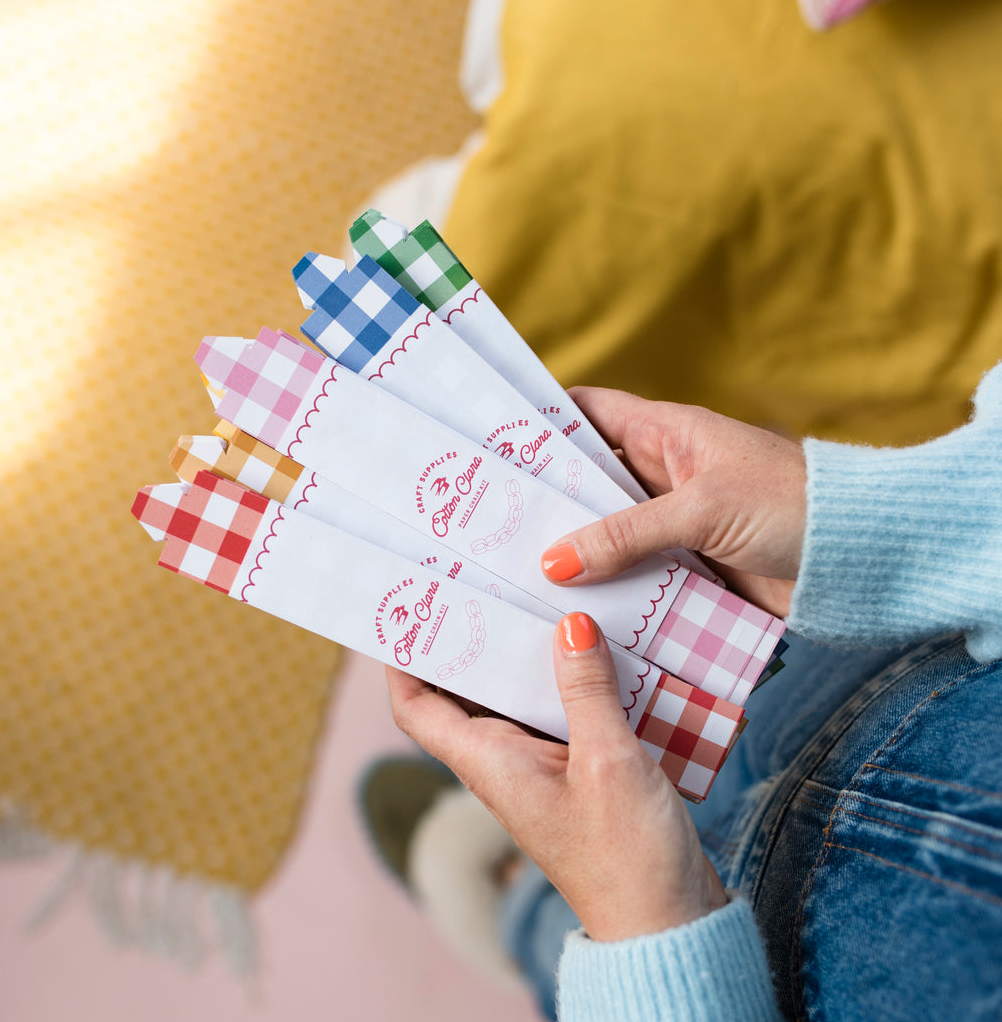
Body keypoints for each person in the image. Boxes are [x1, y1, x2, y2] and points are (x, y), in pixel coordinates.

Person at [367, 361, 1002, 1020]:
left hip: (732, 940)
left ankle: (511, 888)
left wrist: (642, 934)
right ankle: (528, 834)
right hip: (880, 667)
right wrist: (879, 525)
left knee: (561, 903)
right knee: (675, 719)